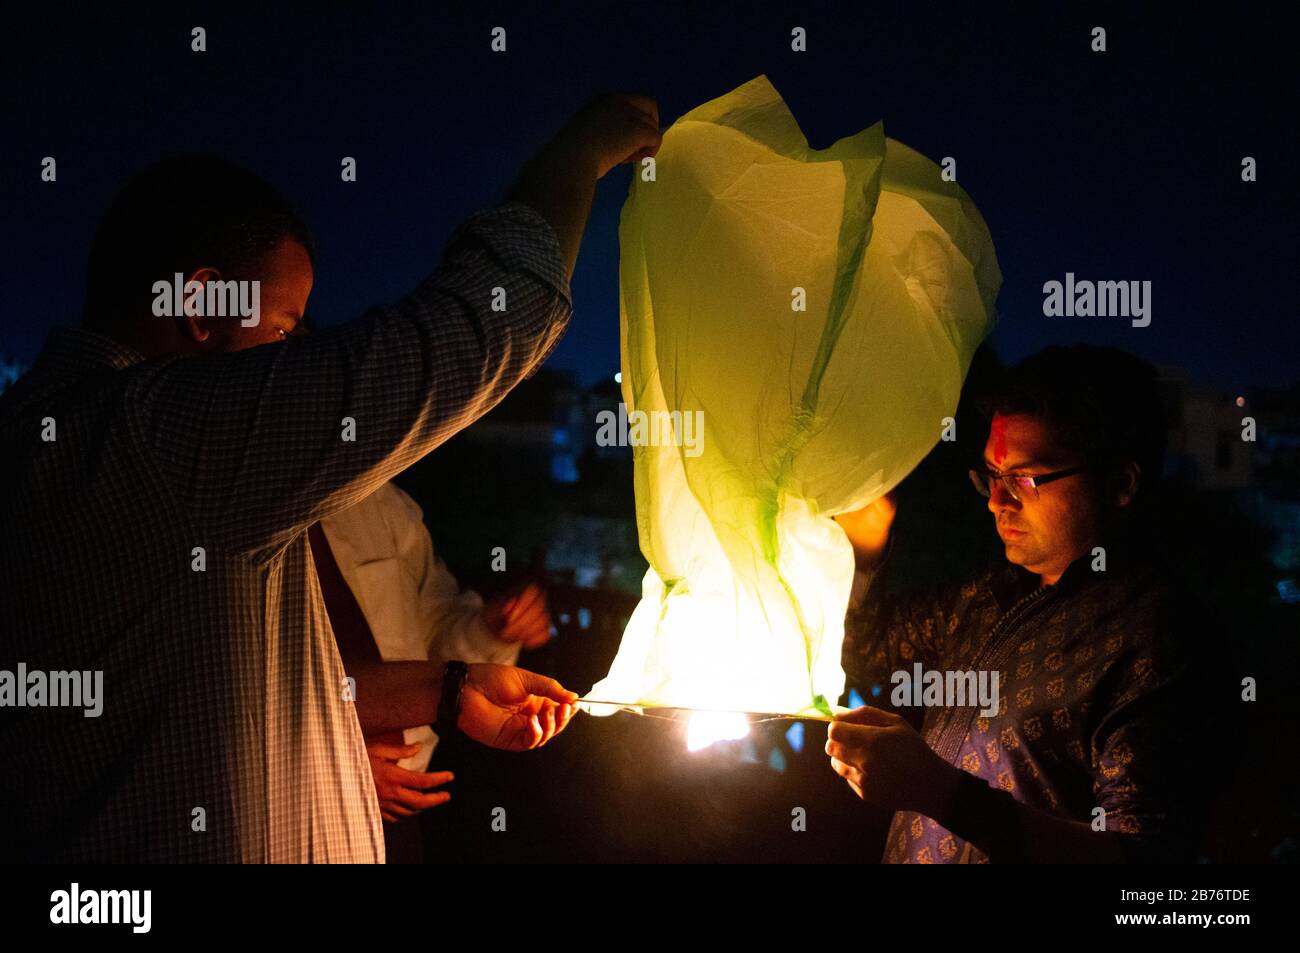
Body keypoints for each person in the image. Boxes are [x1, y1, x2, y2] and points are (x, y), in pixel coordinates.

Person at [0, 94, 661, 862]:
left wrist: (448, 687)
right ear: (203, 305)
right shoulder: (164, 440)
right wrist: (580, 154)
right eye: (282, 329)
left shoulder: (59, 439)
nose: (292, 355)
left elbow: (246, 685)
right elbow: (480, 326)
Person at [829, 345, 1212, 863]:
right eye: (991, 475)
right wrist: (865, 550)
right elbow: (868, 651)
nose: (996, 501)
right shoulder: (990, 594)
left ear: (1121, 482)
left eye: (1027, 479)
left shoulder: (1156, 639)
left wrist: (937, 791)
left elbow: (1142, 866)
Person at [313, 479, 553, 860]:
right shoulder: (231, 508)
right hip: (296, 816)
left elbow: (431, 637)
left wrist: (491, 630)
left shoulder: (381, 501)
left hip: (400, 816)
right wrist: (327, 766)